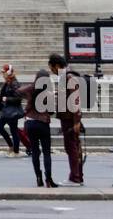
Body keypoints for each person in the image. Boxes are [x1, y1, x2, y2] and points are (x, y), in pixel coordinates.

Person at [18, 66, 58, 187]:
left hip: (30, 123)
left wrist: (32, 86)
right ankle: (49, 179)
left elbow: (19, 91)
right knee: (46, 153)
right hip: (43, 123)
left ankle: (38, 177)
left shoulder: (31, 89)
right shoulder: (48, 93)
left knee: (35, 151)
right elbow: (51, 112)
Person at [49, 54, 85, 185]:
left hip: (70, 119)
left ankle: (75, 176)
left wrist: (76, 121)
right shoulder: (66, 77)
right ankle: (76, 175)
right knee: (73, 146)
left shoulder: (68, 78)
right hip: (68, 117)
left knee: (72, 147)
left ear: (57, 66)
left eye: (52, 68)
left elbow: (75, 100)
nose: (52, 71)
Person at [0, 63, 24, 155]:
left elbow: (19, 98)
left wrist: (7, 99)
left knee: (14, 131)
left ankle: (15, 151)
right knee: (0, 127)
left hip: (12, 111)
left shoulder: (14, 83)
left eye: (4, 72)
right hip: (6, 111)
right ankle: (11, 146)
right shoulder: (7, 82)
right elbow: (1, 96)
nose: (3, 74)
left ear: (9, 72)